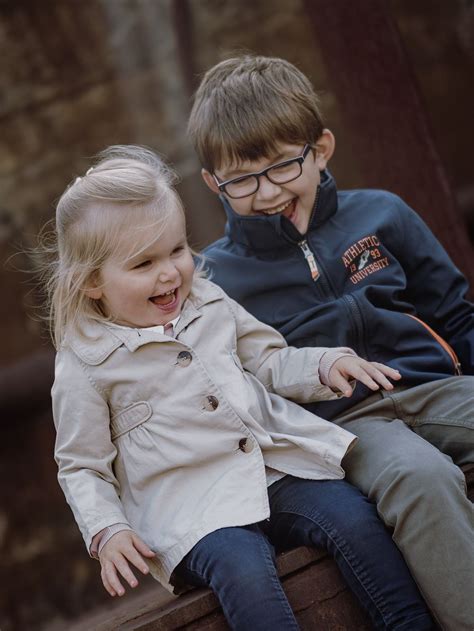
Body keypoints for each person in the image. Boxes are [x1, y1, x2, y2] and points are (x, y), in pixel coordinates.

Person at [47, 145, 434, 631]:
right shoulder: (86, 363)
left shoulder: (208, 301)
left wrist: (323, 364)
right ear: (92, 283)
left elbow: (267, 360)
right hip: (191, 515)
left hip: (269, 467)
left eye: (175, 250)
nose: (170, 272)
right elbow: (82, 465)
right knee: (245, 570)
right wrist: (108, 530)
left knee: (353, 516)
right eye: (143, 264)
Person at [187, 54, 474, 631]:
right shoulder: (214, 282)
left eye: (283, 167)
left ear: (320, 148)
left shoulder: (383, 213)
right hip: (344, 429)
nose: (266, 192)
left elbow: (454, 311)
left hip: (436, 388)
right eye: (241, 178)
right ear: (212, 182)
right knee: (420, 478)